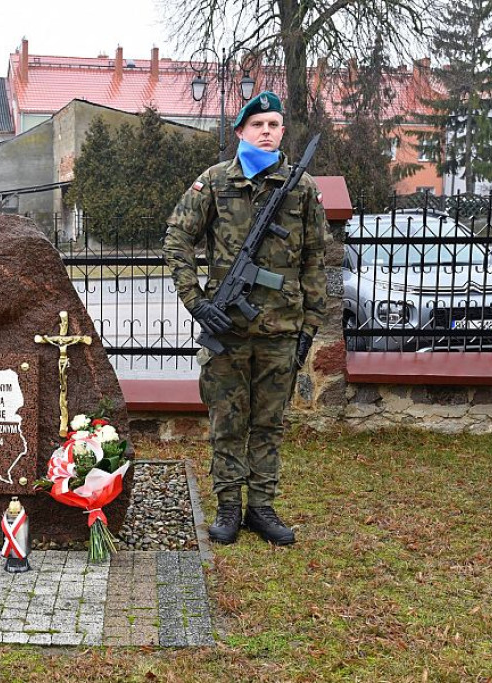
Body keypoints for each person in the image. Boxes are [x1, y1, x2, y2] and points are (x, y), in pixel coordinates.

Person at [162, 92, 327, 546]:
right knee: (227, 421)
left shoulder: (302, 187)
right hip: (227, 329)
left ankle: (262, 507)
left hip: (282, 329)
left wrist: (310, 326)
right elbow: (177, 241)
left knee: (269, 422)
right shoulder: (214, 182)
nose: (267, 131)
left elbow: (316, 259)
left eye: (274, 124)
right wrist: (196, 302)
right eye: (258, 125)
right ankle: (229, 507)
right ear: (240, 132)